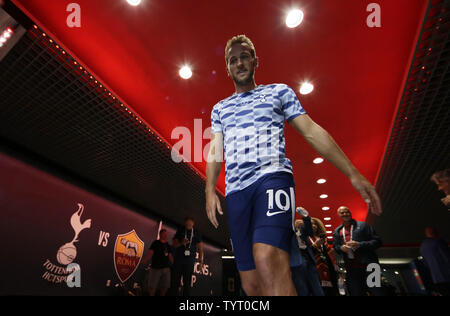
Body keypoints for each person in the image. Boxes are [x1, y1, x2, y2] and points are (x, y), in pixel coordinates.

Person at [205, 34, 382, 296]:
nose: (239, 63)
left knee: (267, 258)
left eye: (244, 57)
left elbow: (310, 130)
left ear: (255, 61)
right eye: (233, 60)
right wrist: (209, 189)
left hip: (272, 179)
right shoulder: (219, 108)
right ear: (227, 68)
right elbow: (216, 150)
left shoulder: (278, 91)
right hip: (236, 193)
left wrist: (352, 173)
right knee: (251, 284)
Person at [333, 206, 383, 296]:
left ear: (350, 213)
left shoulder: (363, 225)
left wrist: (360, 244)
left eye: (347, 212)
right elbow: (336, 247)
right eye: (342, 213)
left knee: (377, 292)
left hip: (371, 265)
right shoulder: (337, 231)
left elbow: (377, 242)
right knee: (355, 293)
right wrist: (341, 248)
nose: (345, 214)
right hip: (351, 269)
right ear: (338, 215)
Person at [290, 207, 324, 296]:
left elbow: (310, 232)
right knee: (301, 287)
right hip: (295, 258)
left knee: (316, 286)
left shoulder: (300, 226)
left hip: (308, 256)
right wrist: (292, 226)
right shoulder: (283, 227)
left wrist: (306, 217)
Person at [171, 216, 204, 296]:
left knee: (187, 284)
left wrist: (201, 262)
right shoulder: (180, 230)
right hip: (178, 261)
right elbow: (174, 244)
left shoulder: (196, 232)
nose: (189, 224)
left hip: (189, 262)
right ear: (185, 223)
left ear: (193, 223)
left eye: (190, 223)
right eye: (187, 222)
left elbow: (200, 248)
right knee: (175, 283)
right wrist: (181, 243)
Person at [309, 217, 339, 296]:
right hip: (313, 271)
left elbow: (330, 256)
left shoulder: (323, 240)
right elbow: (305, 254)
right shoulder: (305, 238)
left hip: (328, 270)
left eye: (315, 224)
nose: (313, 226)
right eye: (311, 224)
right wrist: (315, 245)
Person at [140, 229, 173, 296]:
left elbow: (170, 256)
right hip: (155, 268)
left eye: (166, 234)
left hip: (166, 268)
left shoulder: (167, 245)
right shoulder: (155, 243)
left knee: (165, 286)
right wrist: (144, 260)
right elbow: (150, 253)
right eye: (164, 233)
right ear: (160, 234)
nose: (165, 235)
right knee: (152, 286)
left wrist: (173, 263)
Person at [420, 226, 450, 296]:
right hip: (447, 276)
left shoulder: (422, 247)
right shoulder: (438, 242)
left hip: (436, 279)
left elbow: (426, 264)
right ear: (435, 232)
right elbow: (447, 257)